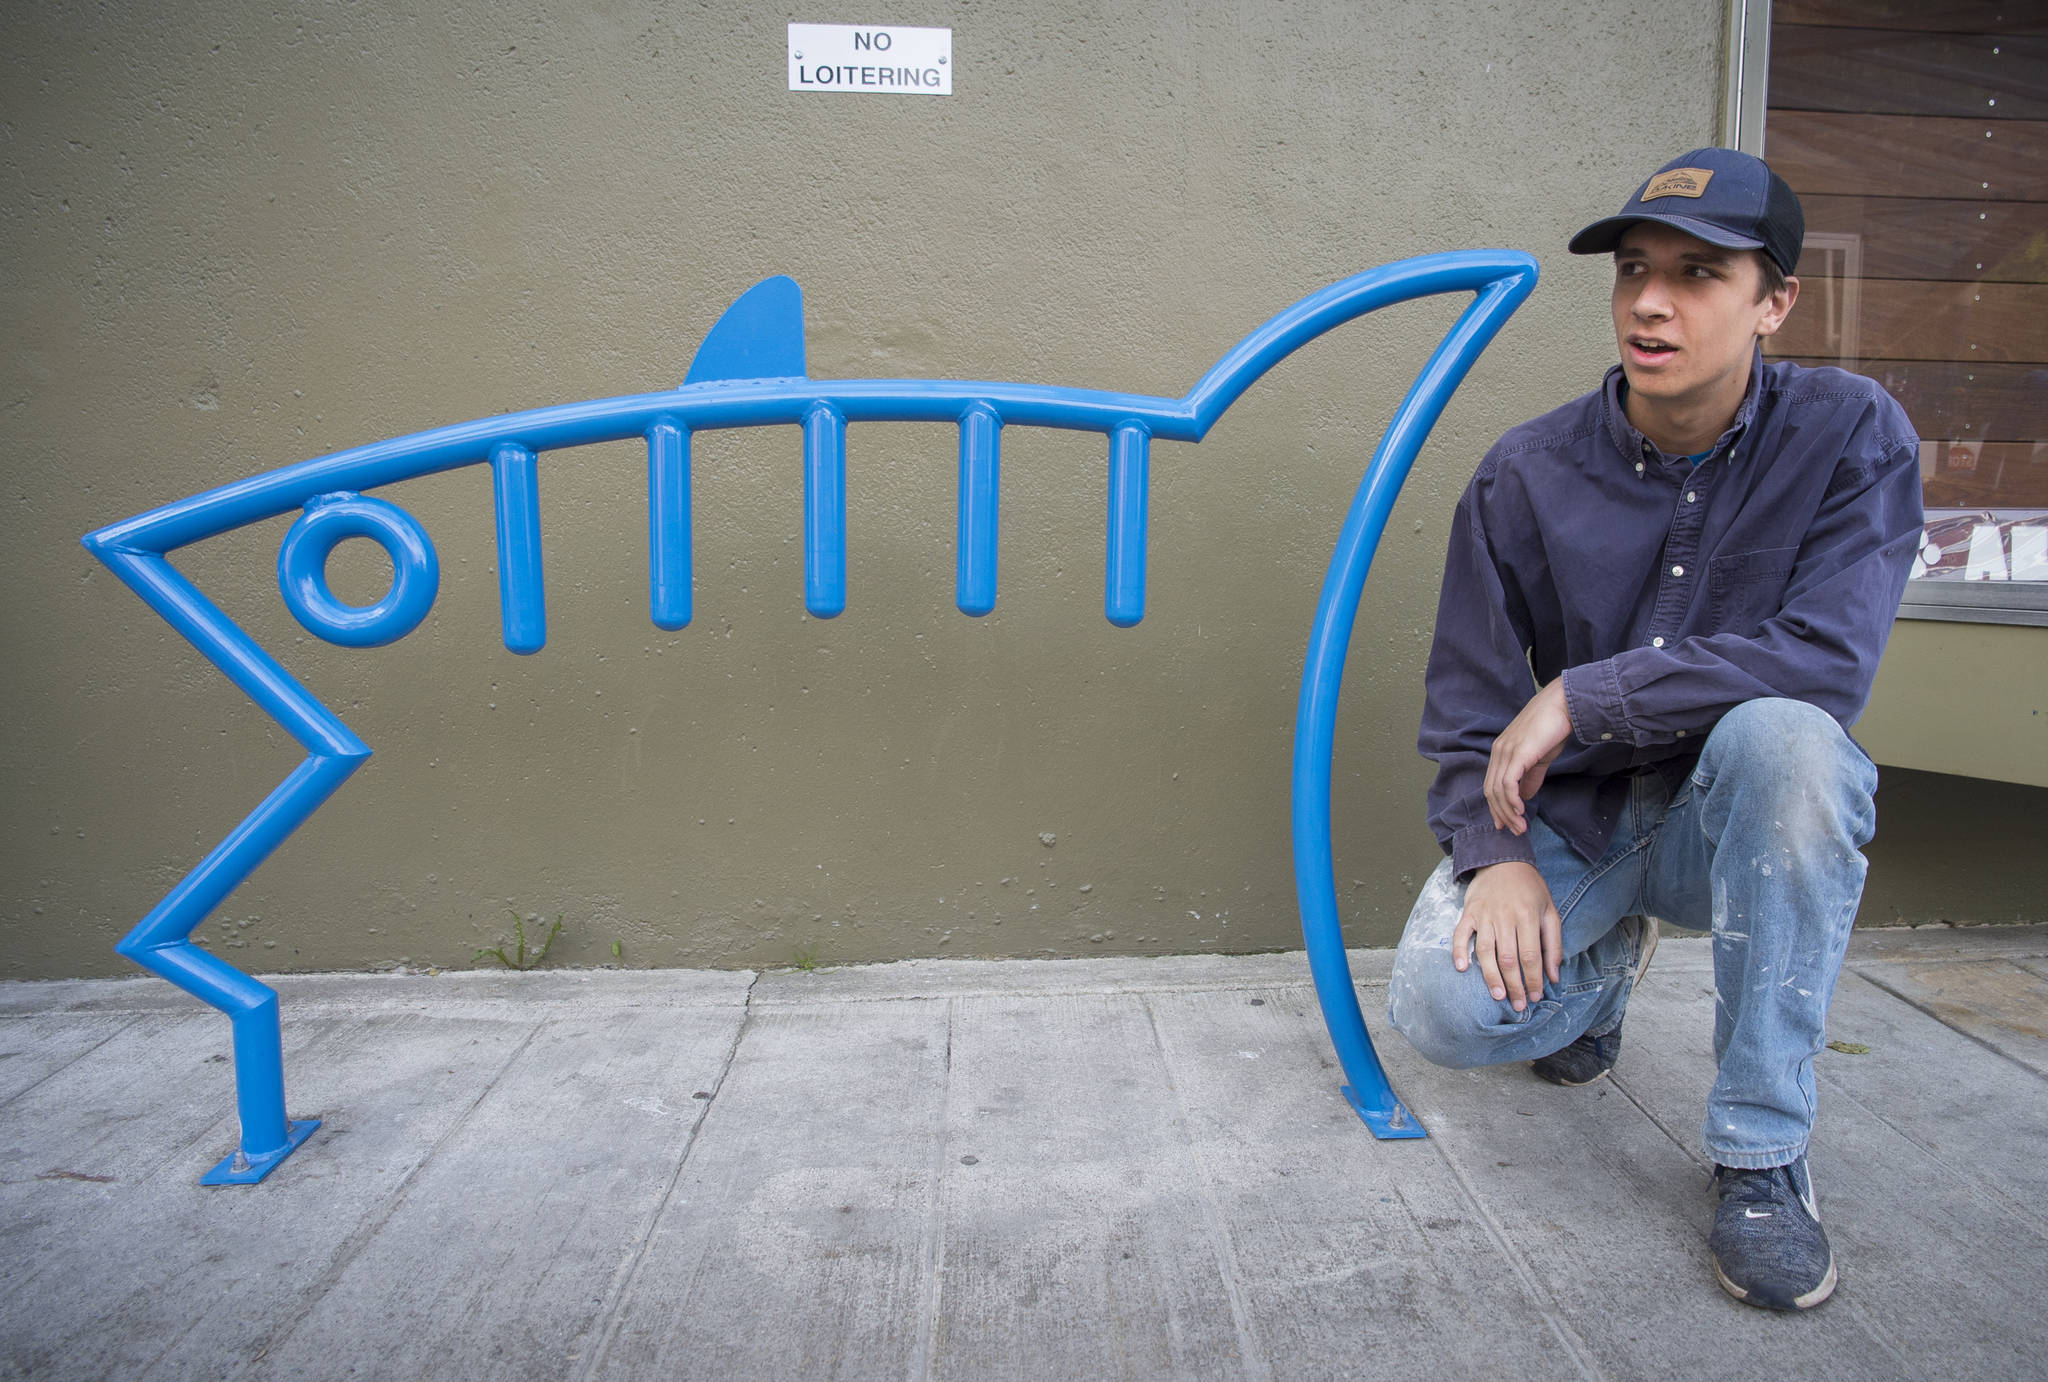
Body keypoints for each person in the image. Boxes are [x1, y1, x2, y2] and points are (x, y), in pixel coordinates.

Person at [1386, 147, 1924, 1311]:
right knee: (1440, 1005)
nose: (1649, 300)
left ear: (1773, 300)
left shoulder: (1847, 435)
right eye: (1633, 268)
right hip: (1580, 814)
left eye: (1697, 272)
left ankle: (1759, 1151)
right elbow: (1468, 704)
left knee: (1790, 740)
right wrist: (1495, 859)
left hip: (1730, 816)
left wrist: (1589, 693)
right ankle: (1605, 960)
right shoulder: (1523, 472)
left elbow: (1826, 656)